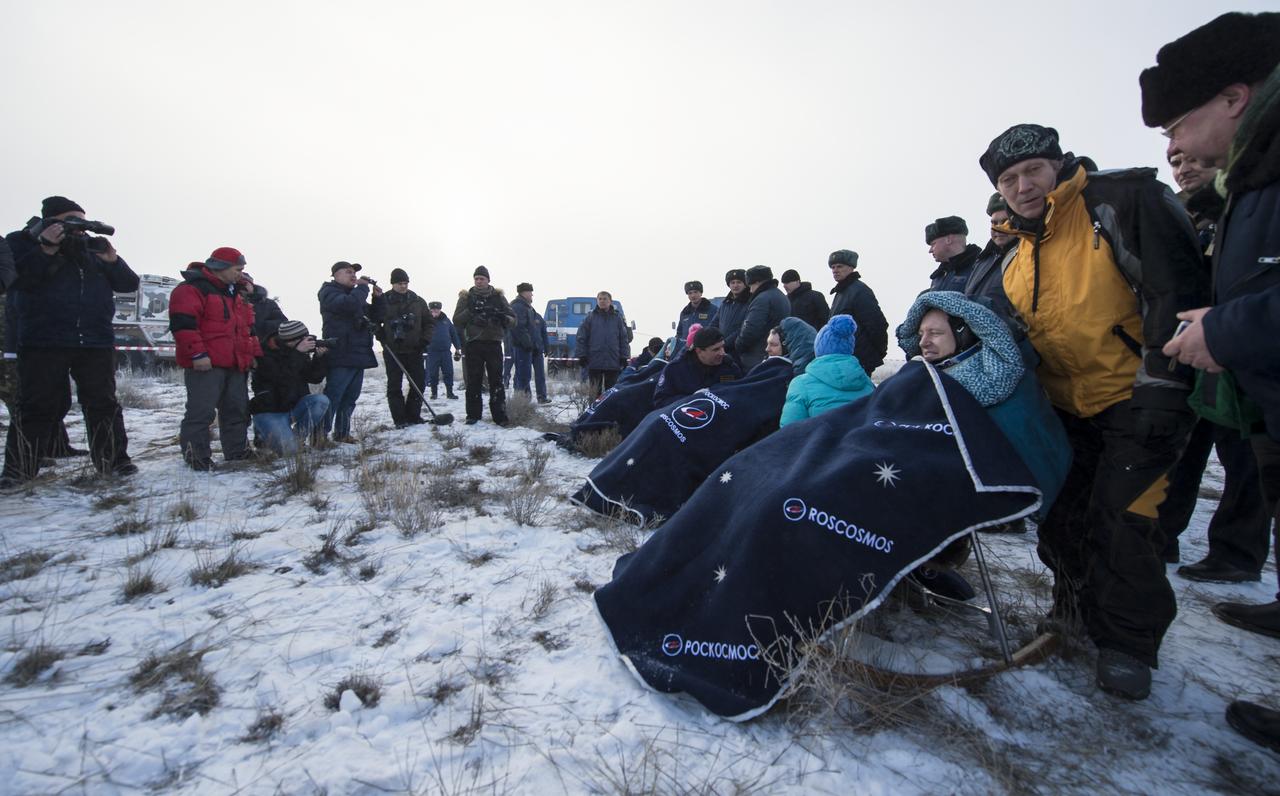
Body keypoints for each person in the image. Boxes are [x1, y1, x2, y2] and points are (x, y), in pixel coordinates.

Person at [979, 122, 1207, 700]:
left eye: (1033, 170)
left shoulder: (1121, 203)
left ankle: (1127, 644)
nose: (1024, 186)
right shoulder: (1015, 258)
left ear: (1057, 164)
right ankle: (1073, 611)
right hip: (1066, 410)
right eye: (1009, 179)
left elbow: (1174, 294)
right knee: (1063, 519)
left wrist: (1162, 387)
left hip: (1138, 400)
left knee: (1123, 523)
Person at [1140, 10, 1280, 748]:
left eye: (1177, 127)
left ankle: (1235, 556)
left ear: (1232, 98)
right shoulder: (1255, 173)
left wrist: (1223, 329)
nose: (1174, 148)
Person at [1156, 146, 1267, 583]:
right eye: (1178, 163)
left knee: (1245, 457)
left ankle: (1237, 554)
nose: (1185, 169)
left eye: (1196, 161)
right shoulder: (1186, 219)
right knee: (1182, 452)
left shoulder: (1244, 210)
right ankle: (1163, 535)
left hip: (1241, 350)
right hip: (1189, 352)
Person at [1, 197, 139, 484]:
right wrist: (47, 248)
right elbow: (20, 280)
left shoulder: (91, 247)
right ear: (52, 220)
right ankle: (19, 471)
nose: (78, 227)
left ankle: (114, 462)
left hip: (95, 341)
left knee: (103, 404)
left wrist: (112, 261)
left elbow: (128, 284)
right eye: (71, 219)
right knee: (36, 406)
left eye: (82, 220)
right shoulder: (22, 241)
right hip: (43, 340)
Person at [169, 249, 261, 470]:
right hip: (206, 364)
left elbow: (247, 329)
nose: (241, 274)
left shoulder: (236, 294)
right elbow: (183, 325)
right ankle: (197, 457)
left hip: (236, 363)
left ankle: (237, 452)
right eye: (238, 269)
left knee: (236, 409)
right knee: (201, 412)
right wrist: (197, 355)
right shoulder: (191, 289)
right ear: (221, 267)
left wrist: (252, 355)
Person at [319, 261, 386, 442]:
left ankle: (342, 433)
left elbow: (376, 317)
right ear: (335, 275)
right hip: (341, 353)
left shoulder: (356, 296)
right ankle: (319, 435)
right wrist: (363, 288)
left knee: (350, 398)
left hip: (358, 354)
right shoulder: (329, 292)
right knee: (334, 395)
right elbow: (348, 305)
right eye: (348, 272)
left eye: (354, 273)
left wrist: (378, 299)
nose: (353, 275)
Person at [249, 320, 331, 455]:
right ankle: (263, 435)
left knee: (320, 401)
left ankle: (297, 439)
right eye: (304, 338)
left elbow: (314, 378)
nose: (307, 340)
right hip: (270, 411)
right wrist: (298, 353)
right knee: (289, 451)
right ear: (292, 340)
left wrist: (319, 358)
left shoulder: (296, 353)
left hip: (292, 408)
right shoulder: (264, 353)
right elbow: (280, 378)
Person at [780, 315, 873, 427]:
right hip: (858, 443)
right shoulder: (867, 383)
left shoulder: (800, 384)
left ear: (818, 349)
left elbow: (789, 431)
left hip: (818, 444)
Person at [454, 265, 515, 425]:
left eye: (481, 279)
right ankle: (473, 415)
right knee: (473, 381)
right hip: (473, 344)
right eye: (476, 279)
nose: (479, 281)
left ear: (488, 280)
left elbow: (513, 319)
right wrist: (472, 313)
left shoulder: (498, 297)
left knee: (496, 381)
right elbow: (457, 319)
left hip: (494, 344)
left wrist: (503, 318)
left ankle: (500, 416)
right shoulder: (466, 298)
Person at [378, 267, 430, 428]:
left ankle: (413, 415)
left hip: (414, 349)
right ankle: (399, 419)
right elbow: (375, 319)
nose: (403, 286)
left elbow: (429, 323)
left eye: (405, 283)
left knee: (419, 383)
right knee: (394, 385)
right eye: (400, 283)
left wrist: (424, 340)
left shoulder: (417, 301)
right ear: (393, 284)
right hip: (392, 350)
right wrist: (379, 334)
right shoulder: (384, 300)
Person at [827, 249, 888, 377]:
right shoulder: (841, 293)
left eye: (839, 266)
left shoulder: (860, 291)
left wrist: (877, 353)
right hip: (843, 361)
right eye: (832, 267)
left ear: (851, 267)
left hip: (858, 361)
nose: (835, 270)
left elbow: (878, 324)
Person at [652, 325, 742, 408]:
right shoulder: (675, 369)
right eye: (716, 349)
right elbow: (660, 401)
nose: (722, 353)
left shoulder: (729, 367)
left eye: (722, 347)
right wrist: (691, 399)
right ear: (699, 351)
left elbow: (740, 395)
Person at [964, 193, 1020, 317]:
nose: (998, 228)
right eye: (994, 223)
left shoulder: (1025, 257)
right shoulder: (982, 261)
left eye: (1005, 222)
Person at [576, 291, 631, 397]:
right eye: (600, 299)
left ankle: (609, 413)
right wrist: (581, 355)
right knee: (594, 394)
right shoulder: (590, 317)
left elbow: (623, 339)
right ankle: (593, 413)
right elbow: (581, 337)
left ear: (610, 301)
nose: (602, 301)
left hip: (612, 362)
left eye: (605, 299)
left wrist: (624, 357)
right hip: (595, 361)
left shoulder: (617, 318)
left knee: (610, 394)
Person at [736, 265, 791, 371]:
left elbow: (751, 329)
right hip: (777, 353)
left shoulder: (761, 299)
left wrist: (738, 346)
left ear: (757, 282)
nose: (751, 290)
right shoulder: (781, 296)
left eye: (751, 285)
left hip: (757, 357)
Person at [510, 282, 550, 403]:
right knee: (523, 375)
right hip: (524, 348)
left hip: (535, 348)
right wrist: (527, 344)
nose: (532, 295)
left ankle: (541, 397)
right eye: (530, 292)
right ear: (524, 292)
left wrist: (544, 347)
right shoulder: (517, 307)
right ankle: (522, 401)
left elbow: (539, 330)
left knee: (539, 375)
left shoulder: (530, 309)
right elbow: (518, 328)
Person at [925, 216, 982, 293]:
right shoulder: (939, 276)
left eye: (933, 244)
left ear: (948, 239)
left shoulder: (979, 267)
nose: (930, 250)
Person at [711, 269, 750, 363]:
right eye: (732, 282)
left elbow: (744, 328)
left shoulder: (750, 302)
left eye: (739, 282)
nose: (735, 285)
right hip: (722, 350)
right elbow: (714, 324)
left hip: (740, 351)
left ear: (745, 284)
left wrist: (725, 343)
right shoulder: (725, 304)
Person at [424, 301, 461, 400]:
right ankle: (434, 393)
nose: (435, 311)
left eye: (437, 309)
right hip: (432, 352)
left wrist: (458, 348)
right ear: (429, 309)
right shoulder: (425, 320)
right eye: (433, 309)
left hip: (445, 352)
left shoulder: (446, 321)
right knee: (432, 373)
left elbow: (453, 334)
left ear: (440, 309)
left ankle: (450, 393)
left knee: (448, 372)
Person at [673, 281, 718, 357]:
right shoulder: (685, 313)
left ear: (701, 293)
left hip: (705, 350)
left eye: (695, 292)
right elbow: (679, 333)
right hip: (687, 351)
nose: (693, 295)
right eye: (690, 293)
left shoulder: (713, 310)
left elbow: (717, 329)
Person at [780, 268, 829, 333]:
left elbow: (825, 318)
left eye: (788, 282)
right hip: (793, 340)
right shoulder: (785, 300)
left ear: (797, 281)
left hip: (813, 338)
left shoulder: (815, 296)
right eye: (783, 283)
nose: (784, 286)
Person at [242, 272, 287, 342]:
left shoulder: (268, 304)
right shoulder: (231, 302)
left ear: (251, 285)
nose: (242, 287)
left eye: (244, 283)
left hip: (263, 344)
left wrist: (261, 325)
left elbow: (282, 323)